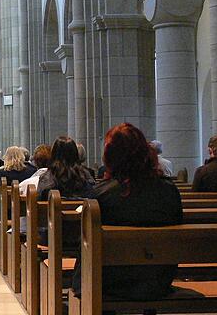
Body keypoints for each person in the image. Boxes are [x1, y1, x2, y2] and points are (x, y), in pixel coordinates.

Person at [73, 123, 182, 300]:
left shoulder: (101, 195)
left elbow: (84, 246)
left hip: (107, 281)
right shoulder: (169, 191)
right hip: (157, 280)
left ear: (110, 156)